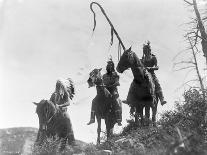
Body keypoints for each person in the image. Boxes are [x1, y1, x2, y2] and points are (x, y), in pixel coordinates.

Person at [87, 58, 122, 126]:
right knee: (94, 101)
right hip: (105, 90)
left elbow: (117, 83)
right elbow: (101, 82)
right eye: (108, 66)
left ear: (112, 67)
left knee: (115, 101)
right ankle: (92, 118)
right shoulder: (104, 75)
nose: (109, 67)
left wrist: (111, 85)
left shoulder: (115, 74)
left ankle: (118, 119)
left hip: (113, 90)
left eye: (110, 66)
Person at [141, 41, 167, 106]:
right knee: (135, 83)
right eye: (145, 50)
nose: (146, 51)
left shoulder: (153, 58)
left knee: (157, 83)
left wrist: (150, 68)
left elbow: (157, 67)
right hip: (144, 75)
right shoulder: (142, 59)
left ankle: (162, 99)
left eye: (147, 50)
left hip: (152, 74)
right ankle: (130, 99)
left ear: (149, 50)